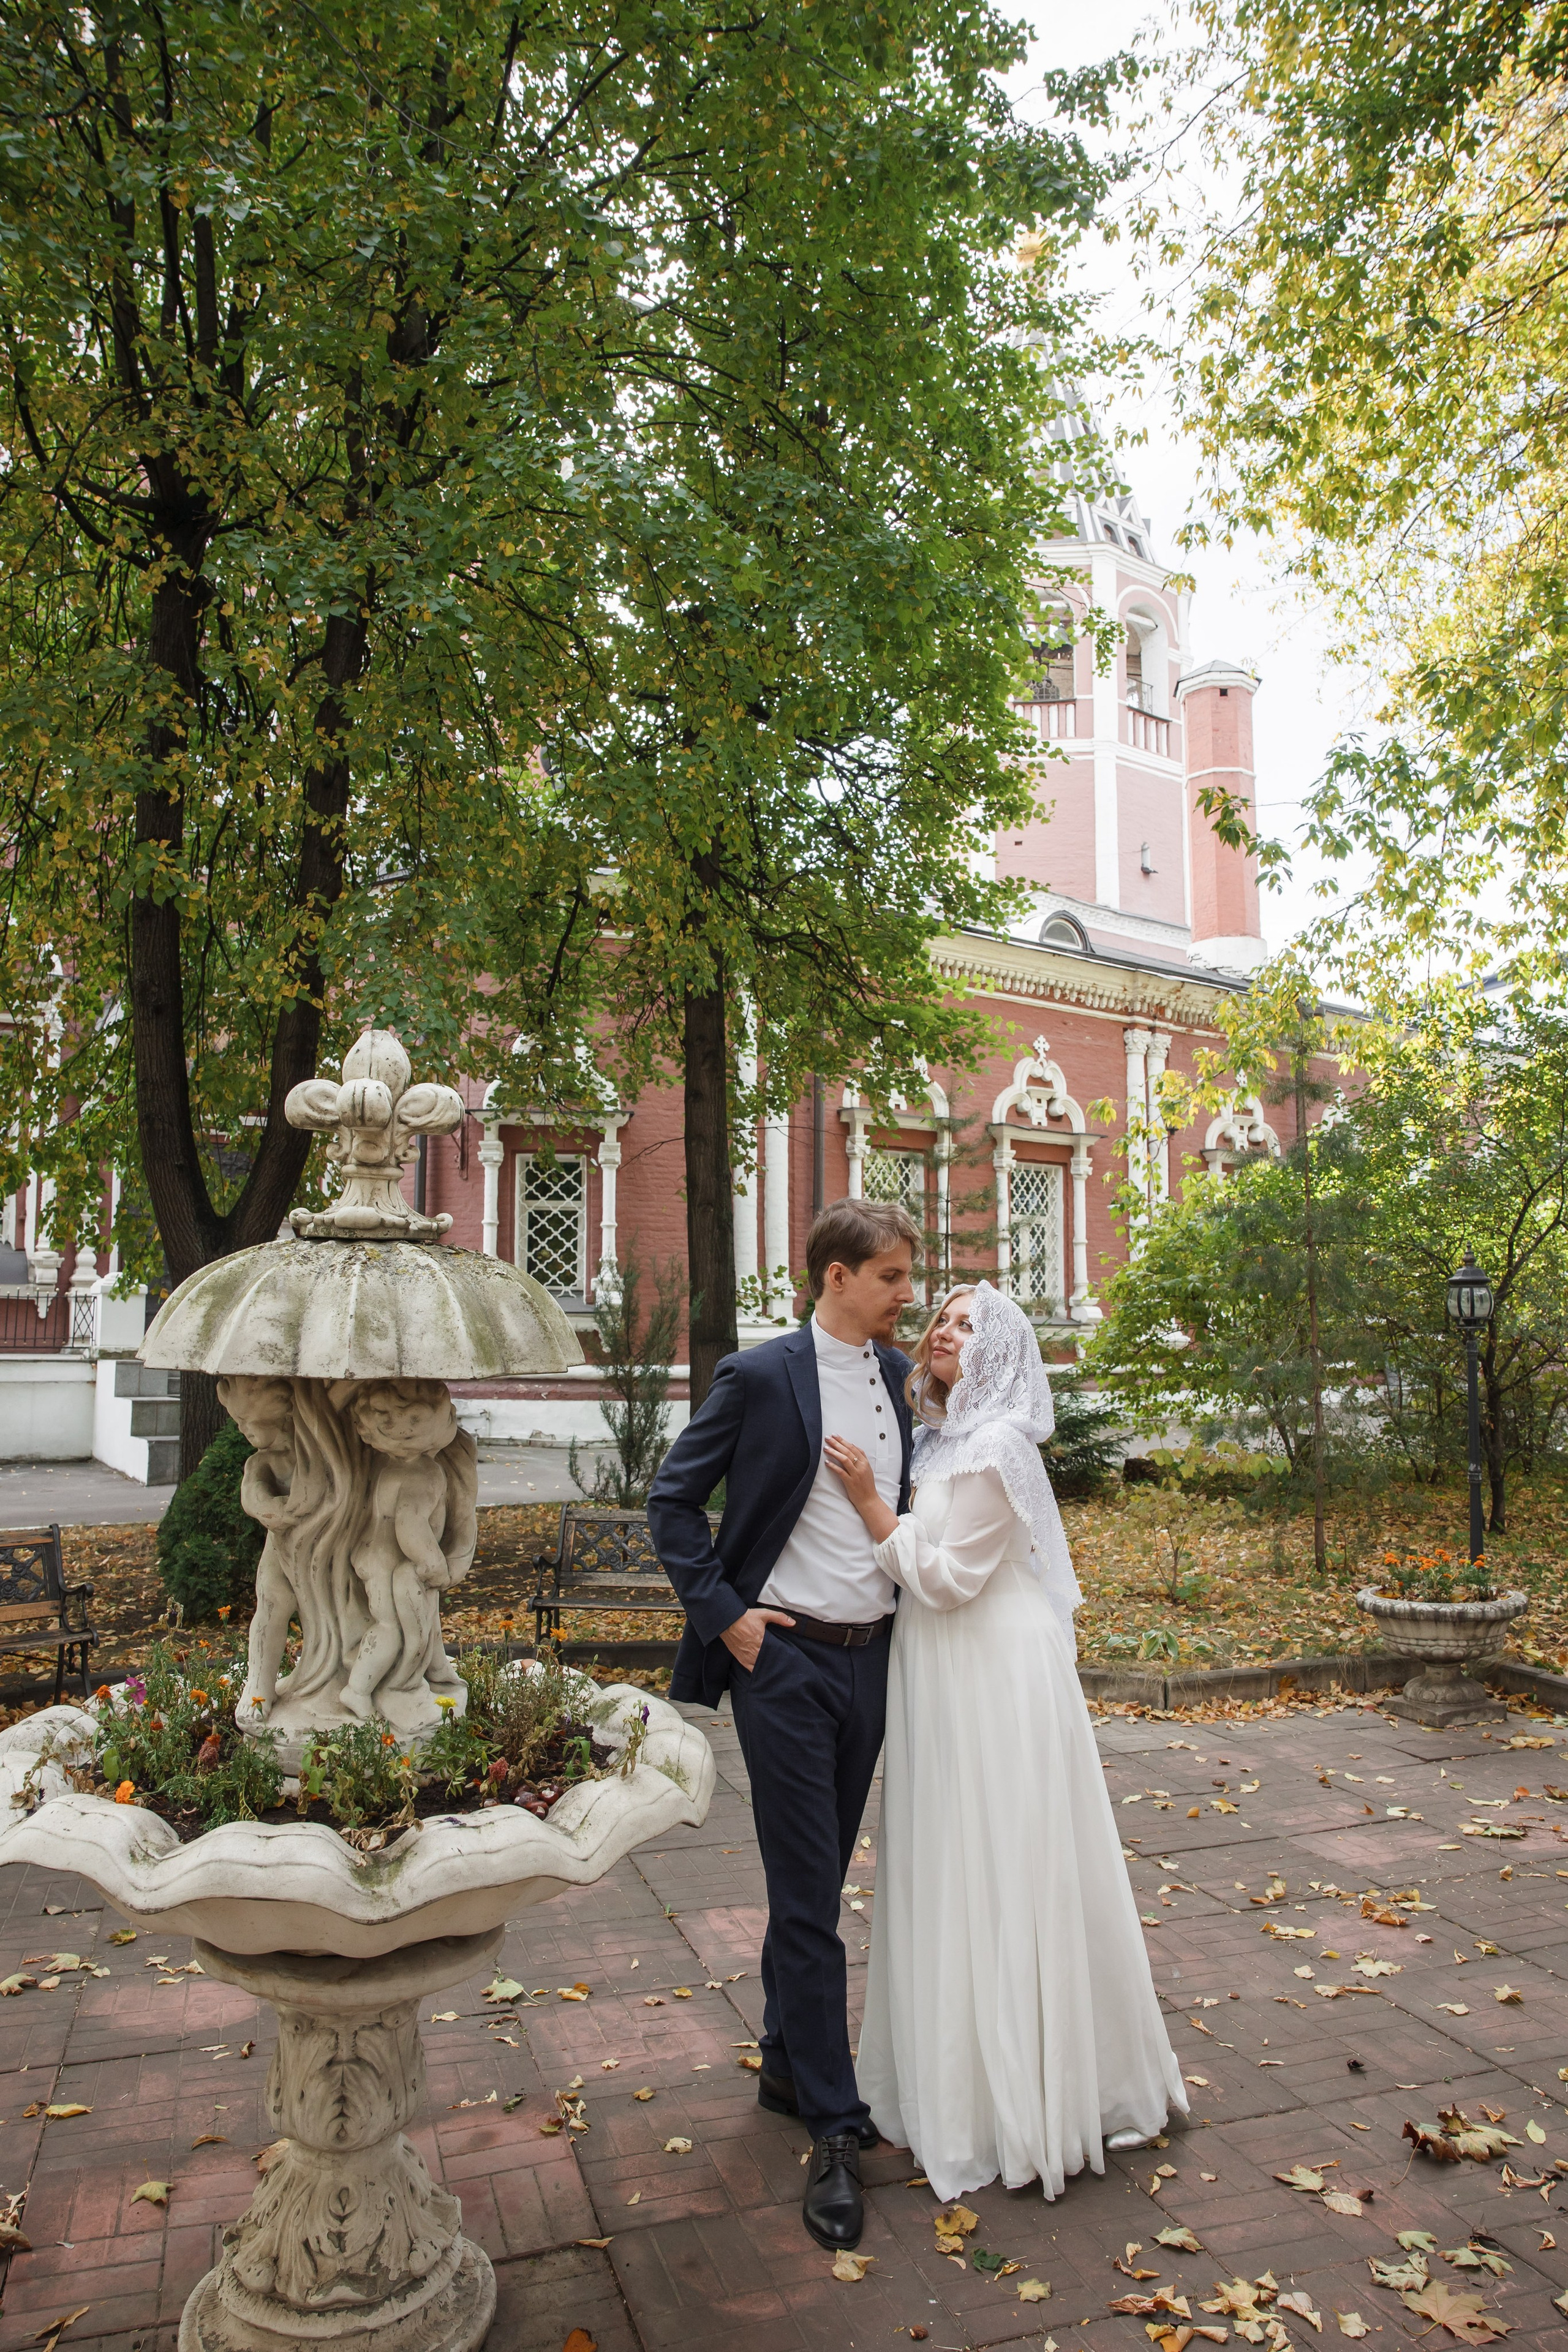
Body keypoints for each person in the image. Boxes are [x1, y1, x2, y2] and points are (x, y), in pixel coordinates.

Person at [824, 1280, 1186, 2203]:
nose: (943, 1331)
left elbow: (945, 1581)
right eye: (941, 1318)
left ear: (999, 1353)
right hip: (945, 1670)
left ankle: (1028, 2096)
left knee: (1001, 1860)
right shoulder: (946, 1439)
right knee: (954, 1857)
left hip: (990, 1670)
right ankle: (955, 2083)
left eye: (964, 1324)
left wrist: (872, 1507)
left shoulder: (995, 1449)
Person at [647, 1197, 919, 2253]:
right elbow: (673, 1501)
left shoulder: (903, 1384)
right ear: (836, 1276)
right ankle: (836, 2132)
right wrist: (728, 1619)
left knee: (818, 1877)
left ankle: (781, 2062)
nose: (906, 1294)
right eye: (892, 1277)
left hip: (876, 1664)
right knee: (810, 1899)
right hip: (786, 1665)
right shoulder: (761, 1377)